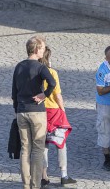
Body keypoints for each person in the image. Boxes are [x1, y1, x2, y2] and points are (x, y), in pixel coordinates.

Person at [12, 34, 56, 189]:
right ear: (37, 49)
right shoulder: (40, 67)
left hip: (21, 111)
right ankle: (35, 185)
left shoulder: (19, 66)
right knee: (37, 149)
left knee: (25, 149)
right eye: (43, 48)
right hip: (37, 112)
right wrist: (44, 95)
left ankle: (25, 185)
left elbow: (14, 93)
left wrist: (17, 110)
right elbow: (52, 82)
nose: (44, 51)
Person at [39, 47, 76, 187]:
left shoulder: (34, 72)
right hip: (54, 111)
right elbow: (57, 95)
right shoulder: (52, 72)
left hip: (41, 111)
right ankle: (63, 175)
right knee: (61, 143)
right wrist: (63, 109)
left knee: (43, 145)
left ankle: (44, 176)